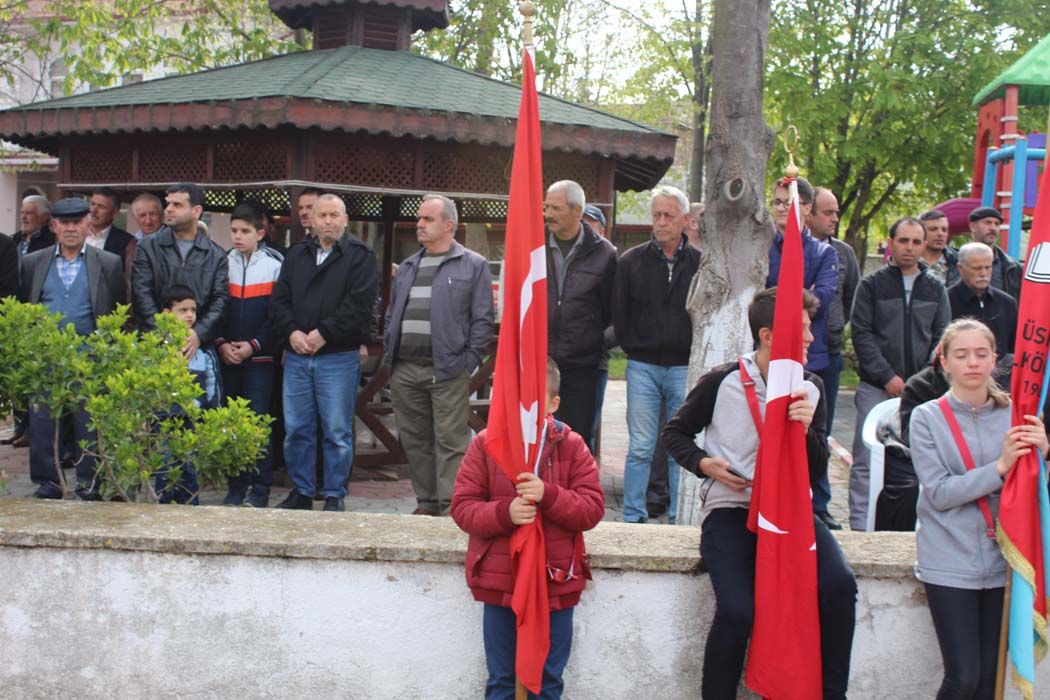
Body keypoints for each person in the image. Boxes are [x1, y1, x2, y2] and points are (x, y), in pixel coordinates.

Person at [662, 287, 857, 700]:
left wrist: (804, 432)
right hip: (732, 510)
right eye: (802, 330)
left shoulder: (811, 386)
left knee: (839, 587)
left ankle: (831, 693)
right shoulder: (722, 380)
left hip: (791, 513)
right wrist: (704, 464)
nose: (809, 338)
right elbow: (675, 434)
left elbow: (818, 469)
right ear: (768, 335)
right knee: (738, 611)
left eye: (809, 329)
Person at [451, 358, 605, 699]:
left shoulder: (573, 445)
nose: (522, 410)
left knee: (547, 680)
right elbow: (462, 507)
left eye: (533, 402)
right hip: (502, 582)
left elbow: (591, 509)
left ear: (553, 404)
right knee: (503, 680)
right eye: (514, 400)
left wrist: (548, 495)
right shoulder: (486, 444)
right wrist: (505, 513)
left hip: (555, 582)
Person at [910, 318, 1048, 699]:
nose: (972, 362)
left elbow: (1034, 493)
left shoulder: (1015, 416)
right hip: (949, 562)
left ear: (994, 362)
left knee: (990, 681)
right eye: (962, 354)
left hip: (1004, 561)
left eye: (981, 354)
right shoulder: (926, 417)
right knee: (964, 676)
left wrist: (1044, 456)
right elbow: (938, 492)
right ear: (945, 363)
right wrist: (1000, 467)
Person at [383, 194, 494, 516]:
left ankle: (452, 506)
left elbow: (482, 319)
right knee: (415, 440)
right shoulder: (408, 265)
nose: (419, 224)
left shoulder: (473, 265)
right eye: (419, 219)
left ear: (449, 225)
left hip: (447, 370)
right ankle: (427, 502)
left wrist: (468, 361)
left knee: (450, 441)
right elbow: (392, 313)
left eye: (427, 219)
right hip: (404, 369)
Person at [270, 193, 378, 512]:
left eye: (335, 215)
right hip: (299, 356)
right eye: (323, 215)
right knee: (297, 429)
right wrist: (292, 332)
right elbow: (279, 300)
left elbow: (358, 305)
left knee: (336, 430)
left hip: (338, 356)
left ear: (345, 219)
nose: (328, 221)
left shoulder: (360, 256)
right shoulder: (296, 255)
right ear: (312, 221)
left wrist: (323, 334)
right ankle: (302, 490)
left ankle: (333, 493)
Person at [19, 198, 126, 500]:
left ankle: (89, 483)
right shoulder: (32, 262)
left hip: (88, 359)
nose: (70, 228)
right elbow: (25, 305)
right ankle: (48, 483)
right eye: (63, 223)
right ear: (53, 226)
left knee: (88, 424)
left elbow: (117, 310)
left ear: (88, 225)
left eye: (77, 222)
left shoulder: (108, 263)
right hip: (45, 357)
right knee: (41, 422)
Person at [849, 216, 950, 530]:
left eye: (916, 241)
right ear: (891, 243)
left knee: (925, 456)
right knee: (868, 458)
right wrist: (887, 376)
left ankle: (920, 524)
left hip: (923, 392)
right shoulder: (871, 285)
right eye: (903, 241)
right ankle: (860, 526)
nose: (910, 248)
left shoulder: (935, 288)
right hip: (877, 387)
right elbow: (862, 333)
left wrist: (919, 382)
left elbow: (942, 336)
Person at [614, 185, 701, 524]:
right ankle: (633, 516)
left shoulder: (700, 263)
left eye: (668, 216)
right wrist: (635, 344)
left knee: (681, 443)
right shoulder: (631, 261)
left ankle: (680, 517)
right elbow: (619, 312)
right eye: (656, 215)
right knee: (640, 446)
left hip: (683, 365)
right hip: (643, 365)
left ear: (685, 220)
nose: (661, 222)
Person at [768, 177, 839, 530]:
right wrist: (796, 292)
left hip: (815, 357)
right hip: (771, 356)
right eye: (777, 202)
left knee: (813, 431)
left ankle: (818, 505)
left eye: (788, 202)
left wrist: (784, 296)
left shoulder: (824, 253)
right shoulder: (763, 246)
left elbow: (821, 300)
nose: (781, 208)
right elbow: (760, 301)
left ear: (807, 208)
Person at [217, 204, 284, 508]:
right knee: (231, 422)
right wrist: (221, 344)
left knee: (258, 423)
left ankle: (259, 488)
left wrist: (254, 344)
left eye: (245, 231)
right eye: (233, 231)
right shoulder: (222, 264)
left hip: (260, 360)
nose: (238, 237)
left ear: (260, 233)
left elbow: (278, 314)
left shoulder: (274, 265)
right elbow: (214, 308)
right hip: (228, 357)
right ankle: (235, 485)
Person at [544, 180, 616, 451]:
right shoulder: (531, 244)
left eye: (555, 208)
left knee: (575, 442)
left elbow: (614, 312)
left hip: (582, 367)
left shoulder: (605, 253)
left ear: (576, 211)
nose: (548, 214)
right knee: (536, 440)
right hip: (540, 363)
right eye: (546, 206)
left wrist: (595, 342)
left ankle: (573, 494)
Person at [131, 183, 229, 358]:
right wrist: (165, 334)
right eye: (168, 203)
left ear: (196, 211)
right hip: (154, 345)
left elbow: (220, 301)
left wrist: (198, 333)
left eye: (177, 205)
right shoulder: (147, 247)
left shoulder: (216, 255)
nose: (168, 209)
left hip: (198, 348)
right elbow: (141, 294)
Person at [155, 284, 222, 505]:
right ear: (167, 314)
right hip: (163, 422)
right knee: (163, 471)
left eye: (193, 310)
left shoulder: (203, 351)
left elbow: (213, 387)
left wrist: (213, 418)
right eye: (182, 310)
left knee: (189, 472)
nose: (190, 316)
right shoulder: (154, 349)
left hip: (192, 421)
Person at [947, 242, 1017, 359]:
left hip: (999, 375)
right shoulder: (946, 301)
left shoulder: (1007, 303)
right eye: (977, 268)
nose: (983, 273)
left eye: (988, 267)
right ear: (960, 268)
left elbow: (1013, 348)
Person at [967, 206, 1021, 301]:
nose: (993, 228)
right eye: (988, 222)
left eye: (997, 224)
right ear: (973, 226)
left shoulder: (1013, 267)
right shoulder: (955, 261)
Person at [918, 209, 957, 287]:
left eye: (944, 230)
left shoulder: (959, 261)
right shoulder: (907, 260)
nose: (940, 234)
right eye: (933, 229)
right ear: (920, 232)